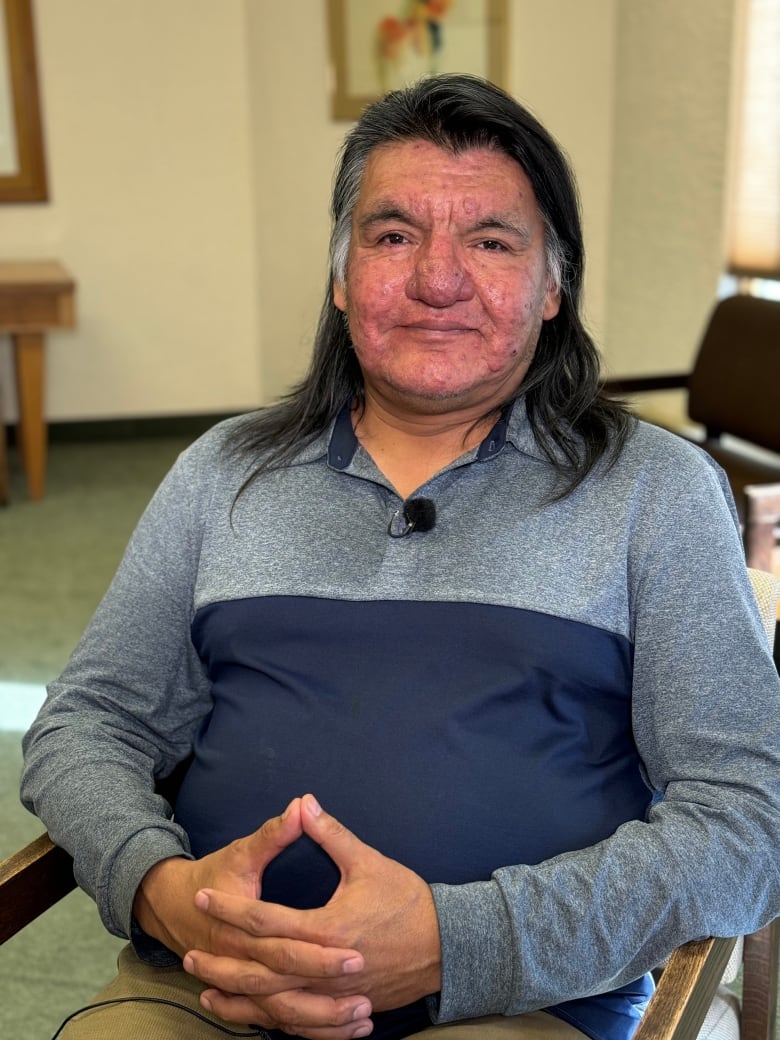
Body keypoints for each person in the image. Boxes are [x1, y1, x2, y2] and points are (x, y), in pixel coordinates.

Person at [20, 74, 780, 1040]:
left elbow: (749, 818)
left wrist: (457, 940)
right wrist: (164, 890)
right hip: (210, 984)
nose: (437, 278)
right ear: (341, 281)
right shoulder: (224, 473)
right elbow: (86, 722)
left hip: (515, 1002)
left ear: (554, 287)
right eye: (392, 236)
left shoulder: (654, 492)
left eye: (492, 241)